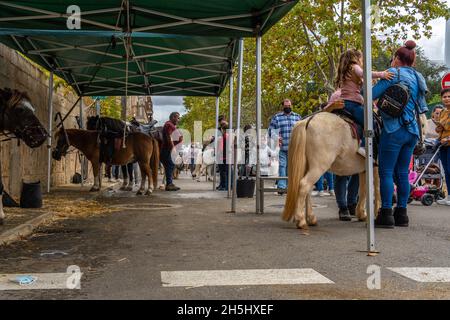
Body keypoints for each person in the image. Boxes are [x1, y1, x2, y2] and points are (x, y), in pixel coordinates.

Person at [372, 40, 428, 228]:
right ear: (412, 61)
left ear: (397, 58)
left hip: (393, 129)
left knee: (386, 172)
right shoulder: (419, 77)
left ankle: (386, 214)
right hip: (412, 131)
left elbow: (370, 94)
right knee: (403, 173)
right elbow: (422, 107)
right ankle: (402, 214)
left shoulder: (393, 73)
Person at [335, 49, 393, 155]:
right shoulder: (354, 67)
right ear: (355, 58)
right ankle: (364, 147)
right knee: (370, 122)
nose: (362, 62)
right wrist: (382, 74)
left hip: (344, 104)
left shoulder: (345, 71)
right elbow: (363, 73)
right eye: (361, 59)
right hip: (353, 104)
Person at [268, 99, 301, 194]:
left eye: (289, 105)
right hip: (282, 147)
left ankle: (291, 186)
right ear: (283, 106)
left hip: (294, 147)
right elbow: (271, 130)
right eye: (286, 106)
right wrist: (276, 136)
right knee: (282, 165)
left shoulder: (297, 117)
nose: (288, 107)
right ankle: (282, 187)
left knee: (291, 167)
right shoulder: (277, 117)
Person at [161, 112, 183, 191]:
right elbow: (169, 136)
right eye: (178, 118)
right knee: (170, 165)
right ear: (173, 117)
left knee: (170, 166)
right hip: (167, 149)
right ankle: (169, 184)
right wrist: (173, 148)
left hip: (169, 149)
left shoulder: (171, 125)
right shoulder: (169, 125)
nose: (178, 119)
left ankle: (169, 183)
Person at [436, 89, 450, 205]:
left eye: (449, 96)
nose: (447, 98)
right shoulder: (443, 112)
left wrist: (448, 138)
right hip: (443, 144)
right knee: (446, 171)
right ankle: (448, 196)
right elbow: (440, 128)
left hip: (449, 142)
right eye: (444, 96)